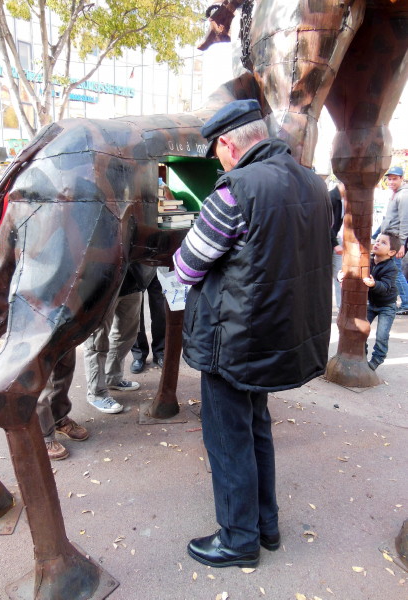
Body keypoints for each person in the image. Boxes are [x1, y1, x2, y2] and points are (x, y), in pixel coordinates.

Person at [173, 99, 332, 568]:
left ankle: (238, 539)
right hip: (274, 340)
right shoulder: (314, 183)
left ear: (227, 144)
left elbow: (187, 264)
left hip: (233, 342)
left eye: (217, 153)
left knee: (228, 438)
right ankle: (267, 525)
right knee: (258, 428)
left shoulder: (235, 191)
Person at [0, 194, 88, 461]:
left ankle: (60, 414)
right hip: (30, 289)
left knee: (65, 356)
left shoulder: (68, 192)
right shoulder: (16, 192)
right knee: (37, 361)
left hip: (64, 286)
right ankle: (44, 431)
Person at [84, 265, 154, 413]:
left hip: (133, 280)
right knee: (97, 340)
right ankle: (96, 393)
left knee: (127, 334)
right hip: (103, 283)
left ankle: (112, 377)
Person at [361, 232, 399, 370]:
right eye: (377, 240)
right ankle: (362, 355)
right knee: (361, 329)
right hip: (372, 304)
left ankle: (377, 359)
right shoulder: (368, 261)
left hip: (387, 306)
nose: (377, 243)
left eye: (383, 242)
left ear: (391, 252)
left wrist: (374, 284)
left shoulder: (391, 268)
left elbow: (385, 287)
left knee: (381, 335)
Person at [377, 166, 408, 315]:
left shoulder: (403, 195)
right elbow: (387, 219)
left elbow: (405, 220)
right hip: (388, 237)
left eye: (395, 178)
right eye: (389, 179)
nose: (391, 181)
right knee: (392, 271)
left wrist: (402, 244)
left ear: (401, 179)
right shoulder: (394, 194)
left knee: (396, 273)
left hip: (395, 240)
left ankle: (406, 303)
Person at [130, 272, 166, 373]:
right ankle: (138, 354)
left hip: (157, 262)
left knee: (161, 312)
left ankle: (160, 351)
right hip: (135, 264)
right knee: (135, 312)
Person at [329, 182, 345, 309]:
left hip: (335, 241)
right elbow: (326, 223)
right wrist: (335, 244)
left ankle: (341, 306)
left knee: (339, 275)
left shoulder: (340, 200)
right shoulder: (331, 198)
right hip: (330, 243)